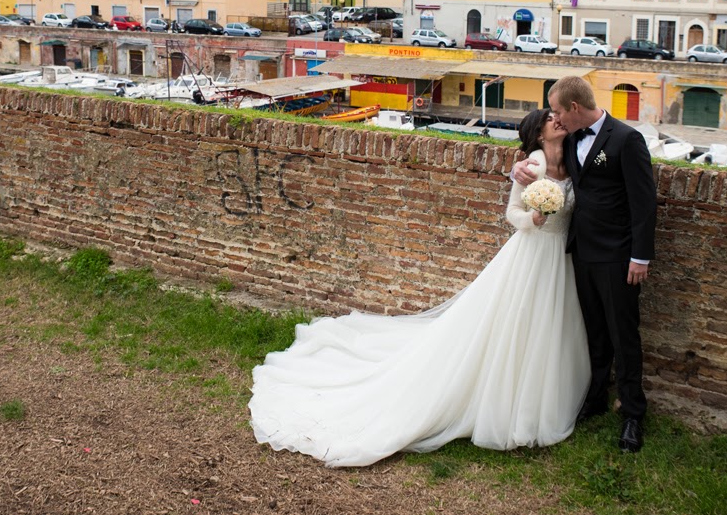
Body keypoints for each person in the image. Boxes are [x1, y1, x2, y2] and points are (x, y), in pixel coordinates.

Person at [249, 108, 590, 467]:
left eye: (558, 116)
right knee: (518, 324)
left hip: (560, 258)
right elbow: (512, 213)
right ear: (539, 134)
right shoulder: (531, 167)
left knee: (551, 326)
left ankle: (542, 397)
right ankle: (510, 402)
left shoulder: (573, 157)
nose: (558, 120)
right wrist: (532, 218)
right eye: (551, 118)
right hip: (531, 252)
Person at [511, 76, 656, 453]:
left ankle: (632, 416)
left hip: (618, 257)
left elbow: (644, 203)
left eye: (557, 111)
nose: (554, 118)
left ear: (574, 108)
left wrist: (640, 256)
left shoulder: (627, 140)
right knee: (593, 333)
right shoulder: (571, 138)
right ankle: (593, 398)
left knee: (624, 336)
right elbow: (540, 157)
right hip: (578, 253)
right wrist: (517, 171)